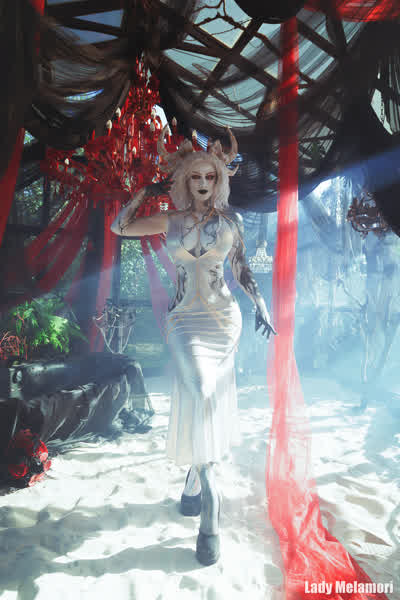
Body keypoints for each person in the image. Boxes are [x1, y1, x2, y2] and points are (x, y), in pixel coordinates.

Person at [111, 126, 276, 566]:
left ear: (219, 180)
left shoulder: (231, 223)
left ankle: (195, 479)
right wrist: (144, 192)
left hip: (224, 320)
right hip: (183, 319)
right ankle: (210, 495)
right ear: (185, 180)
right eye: (195, 177)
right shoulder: (170, 220)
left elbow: (241, 270)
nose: (202, 183)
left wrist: (261, 306)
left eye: (209, 176)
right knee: (200, 389)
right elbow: (119, 226)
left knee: (205, 395)